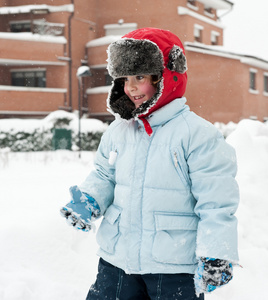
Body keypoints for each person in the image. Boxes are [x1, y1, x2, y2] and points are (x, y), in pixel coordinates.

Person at [60, 27, 239, 299]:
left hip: (174, 266)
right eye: (125, 78)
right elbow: (104, 175)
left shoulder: (198, 135)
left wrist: (216, 252)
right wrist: (90, 200)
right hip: (117, 260)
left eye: (140, 76)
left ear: (167, 76)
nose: (131, 87)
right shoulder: (119, 131)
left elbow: (216, 201)